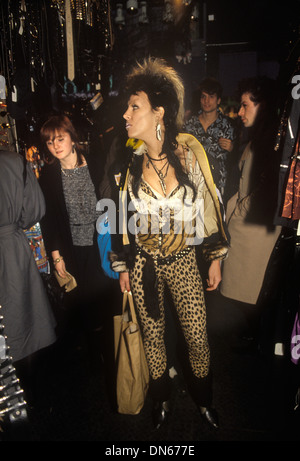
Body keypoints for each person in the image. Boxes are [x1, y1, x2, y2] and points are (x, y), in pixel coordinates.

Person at [110, 58, 229, 429]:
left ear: (158, 112)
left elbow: (209, 205)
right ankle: (161, 400)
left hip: (182, 260)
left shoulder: (189, 152)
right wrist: (124, 265)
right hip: (144, 264)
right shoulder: (127, 161)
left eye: (135, 106)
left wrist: (214, 258)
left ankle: (204, 401)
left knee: (197, 336)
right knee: (154, 339)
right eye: (128, 107)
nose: (127, 114)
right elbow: (119, 218)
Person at [39, 114, 106, 363]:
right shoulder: (49, 176)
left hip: (101, 242)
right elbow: (50, 220)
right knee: (83, 299)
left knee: (105, 295)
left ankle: (107, 345)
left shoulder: (96, 163)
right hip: (73, 246)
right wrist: (56, 257)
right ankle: (95, 350)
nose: (55, 145)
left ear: (72, 138)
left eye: (60, 138)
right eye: (49, 142)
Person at [220, 77, 282, 348]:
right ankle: (258, 332)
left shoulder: (271, 142)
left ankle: (259, 334)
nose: (240, 112)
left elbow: (264, 190)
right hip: (248, 225)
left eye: (246, 106)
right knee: (243, 288)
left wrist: (238, 211)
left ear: (262, 106)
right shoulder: (259, 139)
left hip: (256, 230)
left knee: (249, 289)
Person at [0, 150, 56, 399]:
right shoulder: (14, 162)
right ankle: (28, 389)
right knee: (24, 318)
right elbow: (34, 210)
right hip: (12, 250)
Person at [183, 77, 235, 198]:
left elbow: (239, 160)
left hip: (218, 183)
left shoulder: (228, 125)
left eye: (211, 97)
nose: (206, 101)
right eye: (203, 96)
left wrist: (232, 148)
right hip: (193, 182)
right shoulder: (190, 124)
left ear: (218, 100)